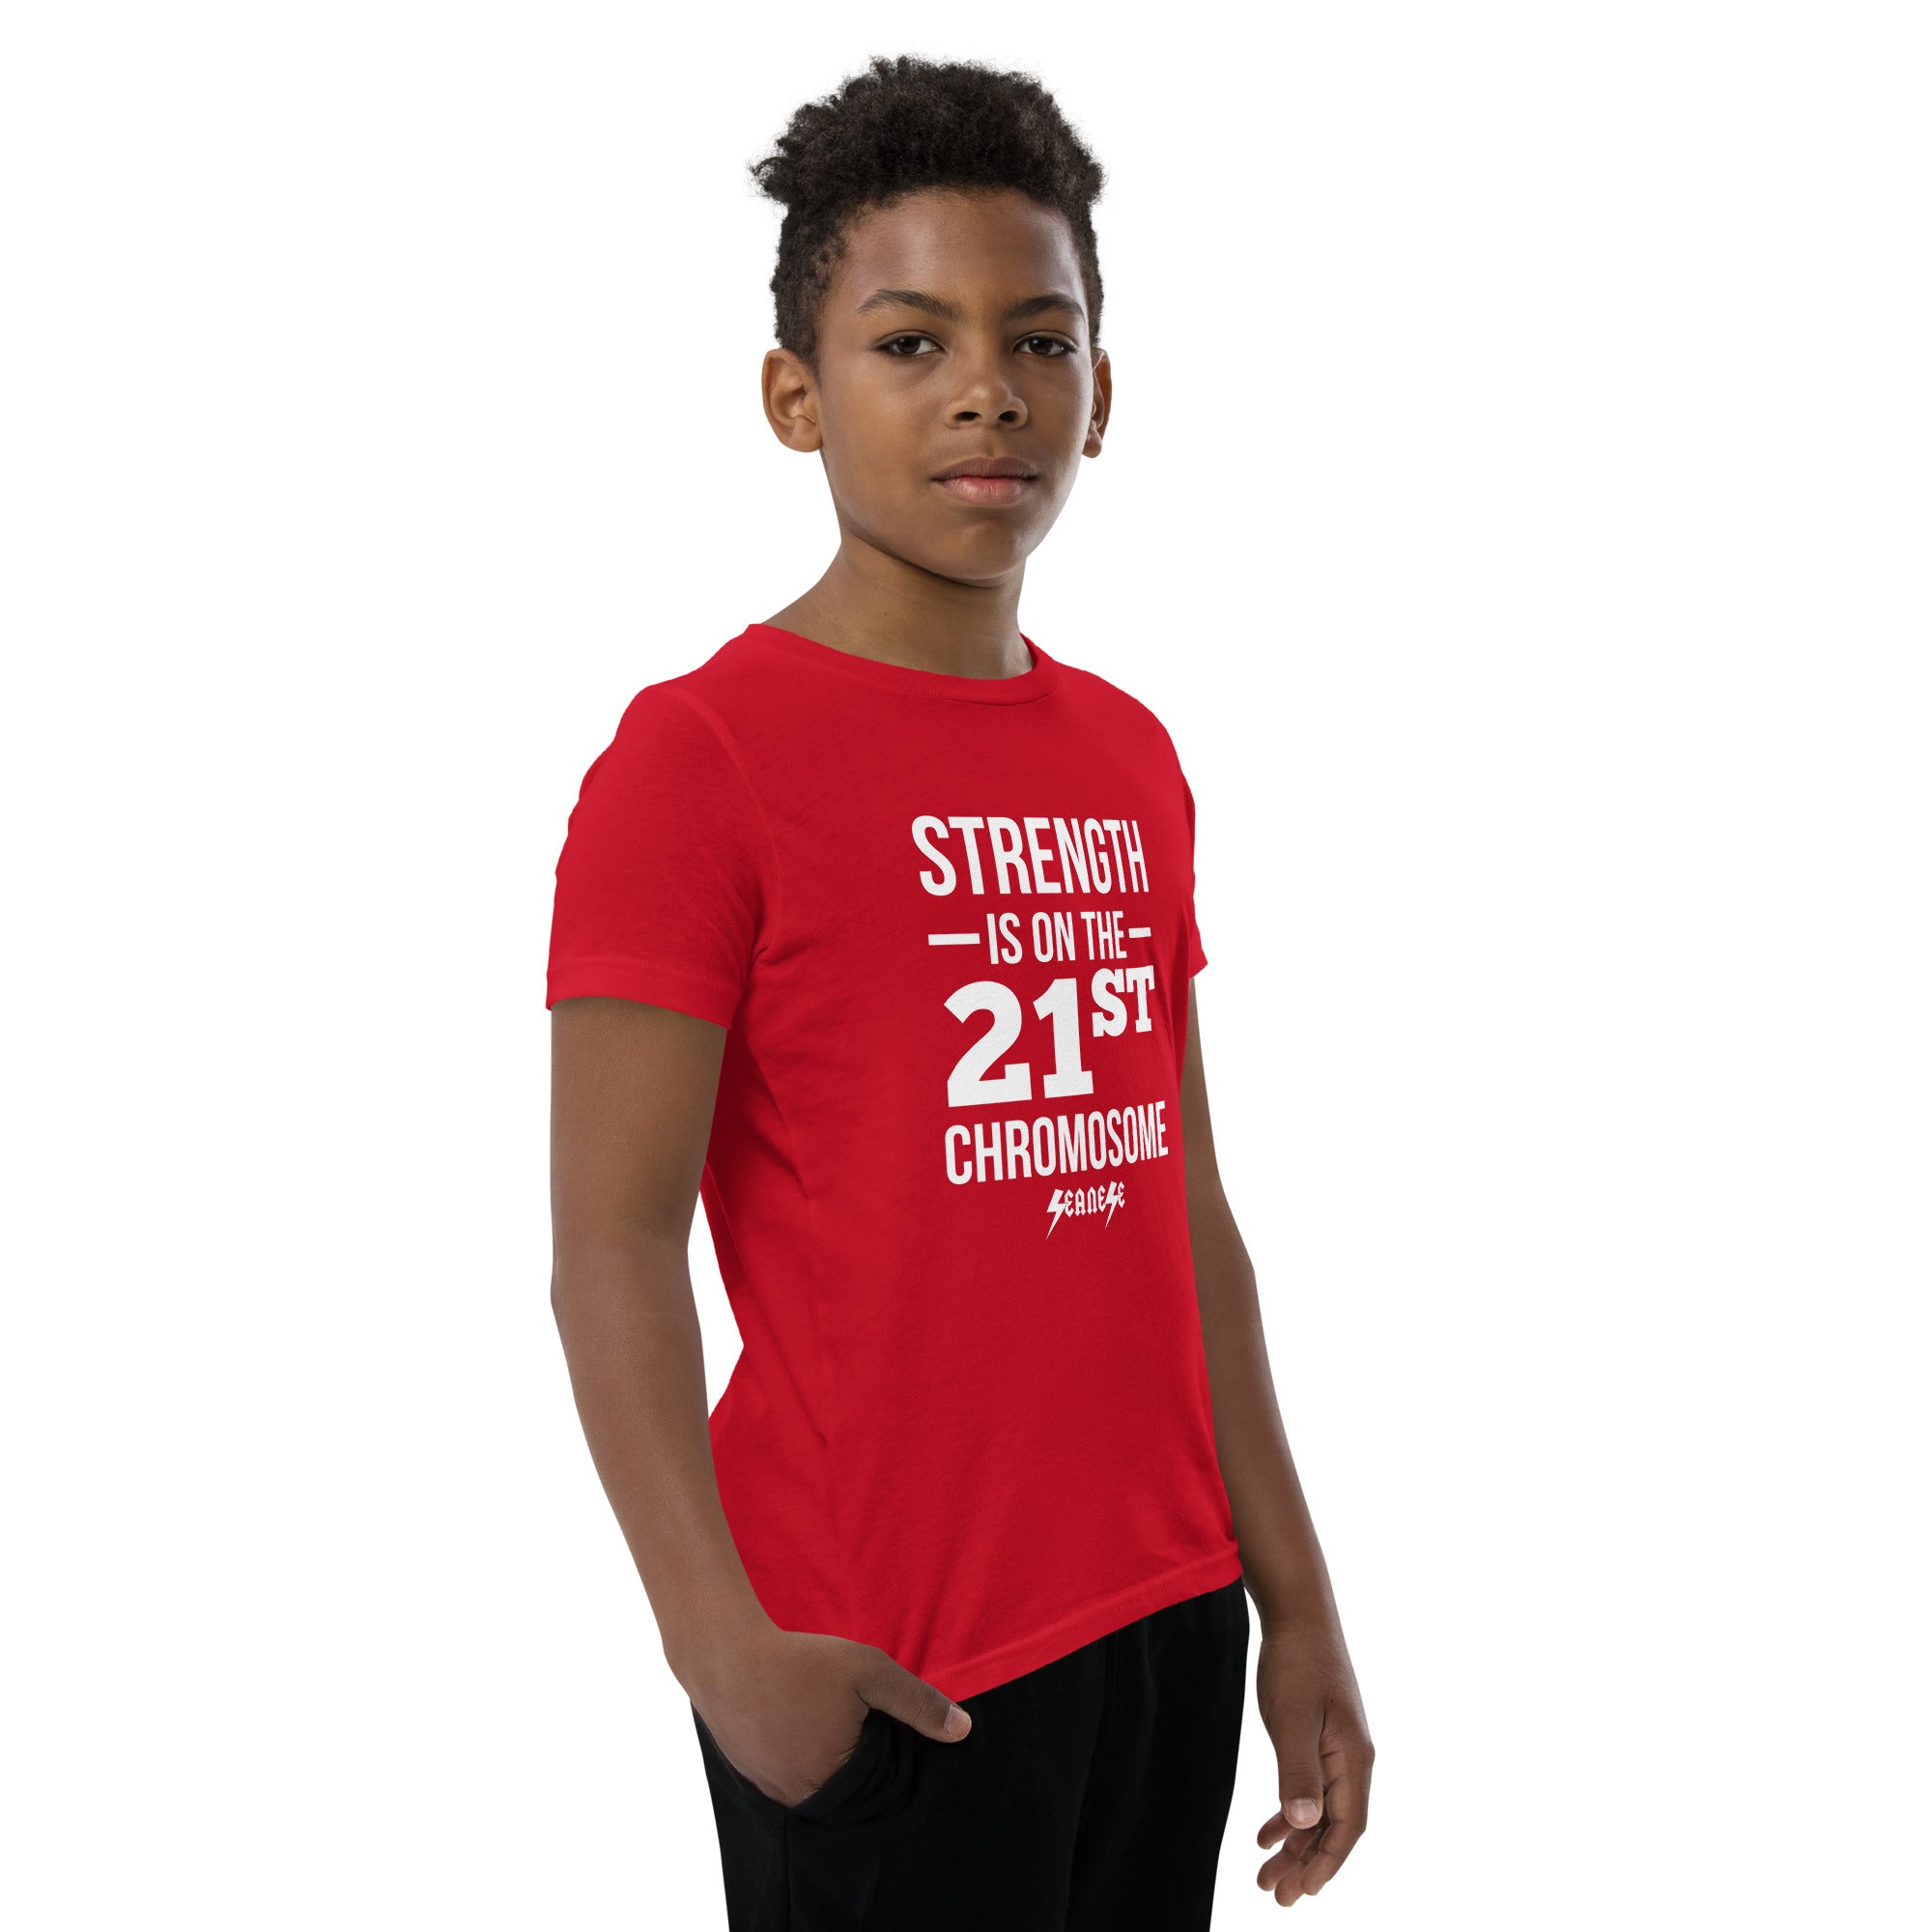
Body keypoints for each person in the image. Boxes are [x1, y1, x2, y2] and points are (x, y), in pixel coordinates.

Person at [546, 53, 1372, 1929]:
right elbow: (610, 1244)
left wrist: (1296, 1602)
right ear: (796, 394)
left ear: (1102, 390)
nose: (987, 388)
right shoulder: (702, 759)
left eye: (1038, 339)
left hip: (1164, 1617)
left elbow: (1182, 1208)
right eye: (910, 342)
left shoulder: (1128, 755)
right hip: (887, 1666)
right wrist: (722, 1653)